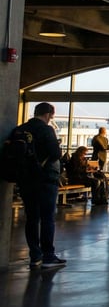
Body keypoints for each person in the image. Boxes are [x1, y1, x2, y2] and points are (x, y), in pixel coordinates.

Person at [11, 102, 65, 269]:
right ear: (48, 114)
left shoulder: (20, 129)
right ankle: (48, 255)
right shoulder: (46, 129)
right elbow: (55, 154)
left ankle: (35, 255)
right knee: (47, 217)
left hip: (26, 179)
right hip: (45, 178)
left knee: (32, 218)